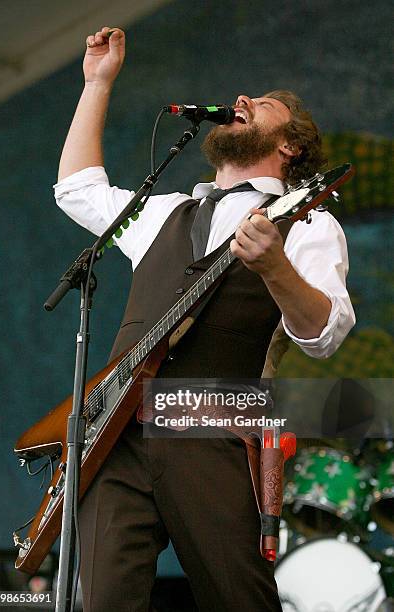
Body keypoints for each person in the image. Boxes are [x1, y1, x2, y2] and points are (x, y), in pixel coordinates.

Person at [54, 26, 355, 612]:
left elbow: (325, 334)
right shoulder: (165, 211)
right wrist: (97, 82)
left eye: (260, 105)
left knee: (237, 598)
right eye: (239, 100)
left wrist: (274, 267)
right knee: (103, 601)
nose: (238, 102)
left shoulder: (310, 221)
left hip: (214, 428)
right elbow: (76, 190)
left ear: (289, 146)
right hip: (117, 431)